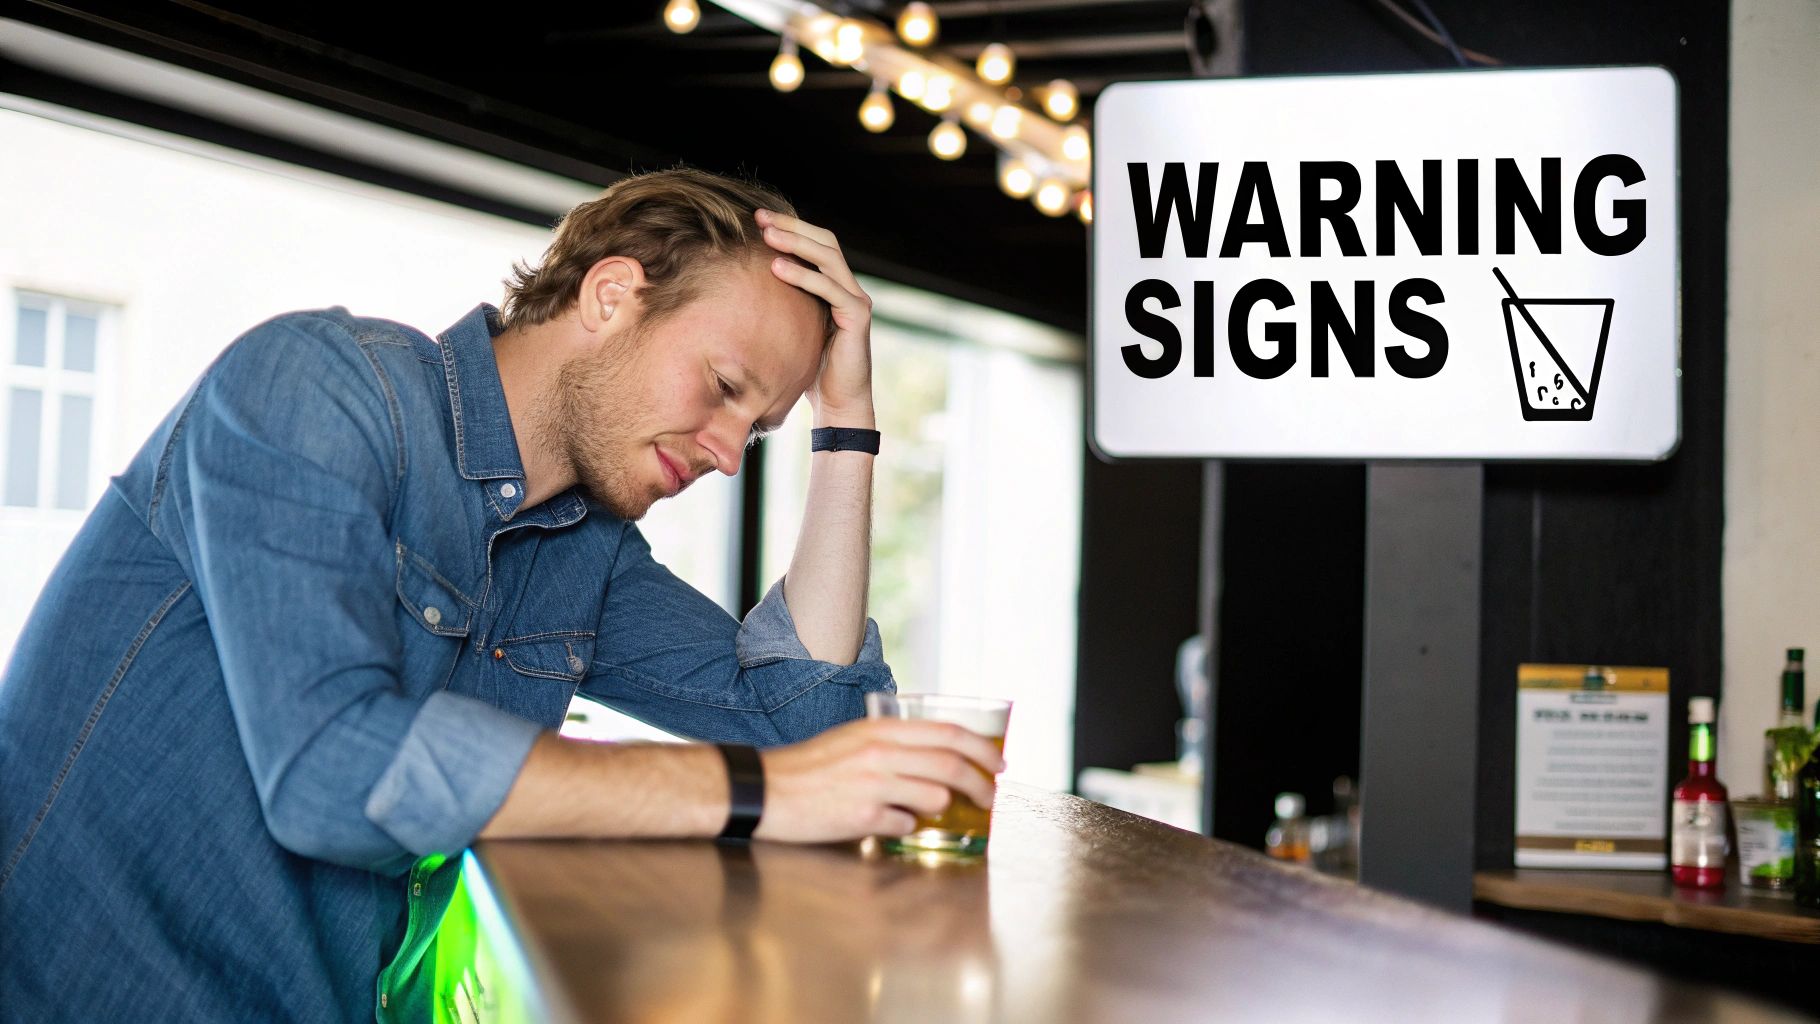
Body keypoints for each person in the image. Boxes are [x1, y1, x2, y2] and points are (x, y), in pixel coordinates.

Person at [0, 168, 1004, 1022]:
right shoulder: (316, 387)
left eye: (762, 428)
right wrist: (760, 794)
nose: (729, 455)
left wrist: (846, 425)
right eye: (723, 386)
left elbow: (801, 728)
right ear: (612, 295)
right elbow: (331, 771)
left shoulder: (583, 550)